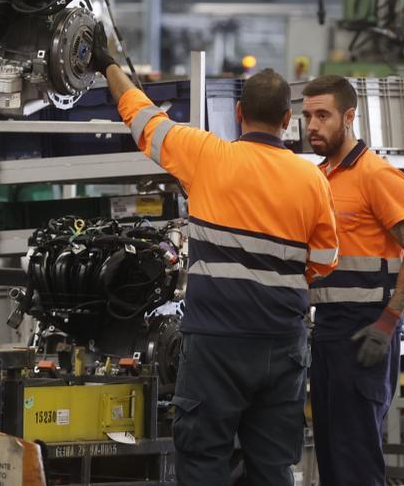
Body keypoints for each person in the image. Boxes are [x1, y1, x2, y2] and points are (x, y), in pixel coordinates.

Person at [89, 38, 339, 486]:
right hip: (282, 344)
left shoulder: (205, 154)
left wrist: (108, 65)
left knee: (203, 464)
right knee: (273, 468)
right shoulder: (312, 179)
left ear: (239, 115)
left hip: (215, 344)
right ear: (287, 120)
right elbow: (324, 261)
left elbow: (143, 118)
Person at [301, 75, 404, 486]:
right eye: (307, 116)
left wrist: (388, 322)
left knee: (355, 460)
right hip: (328, 330)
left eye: (323, 115)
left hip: (365, 332)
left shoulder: (377, 175)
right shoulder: (321, 176)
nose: (312, 126)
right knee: (332, 458)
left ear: (349, 117)